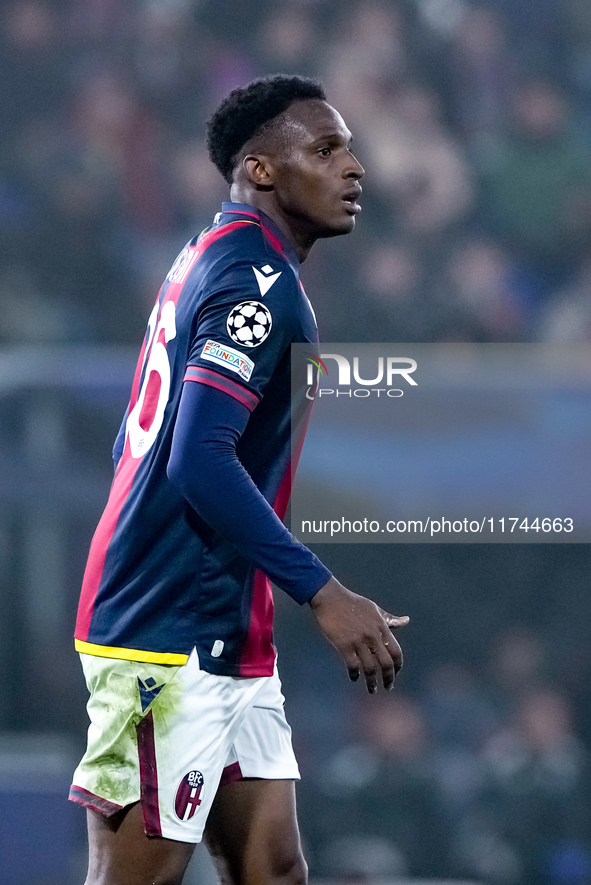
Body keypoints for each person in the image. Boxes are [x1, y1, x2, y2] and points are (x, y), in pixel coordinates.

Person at [69, 74, 409, 885]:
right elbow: (195, 456)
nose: (354, 167)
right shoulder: (251, 281)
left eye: (351, 147)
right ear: (260, 169)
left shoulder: (217, 254)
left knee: (274, 868)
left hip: (221, 623)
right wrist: (323, 592)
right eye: (326, 149)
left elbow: (138, 440)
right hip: (161, 632)